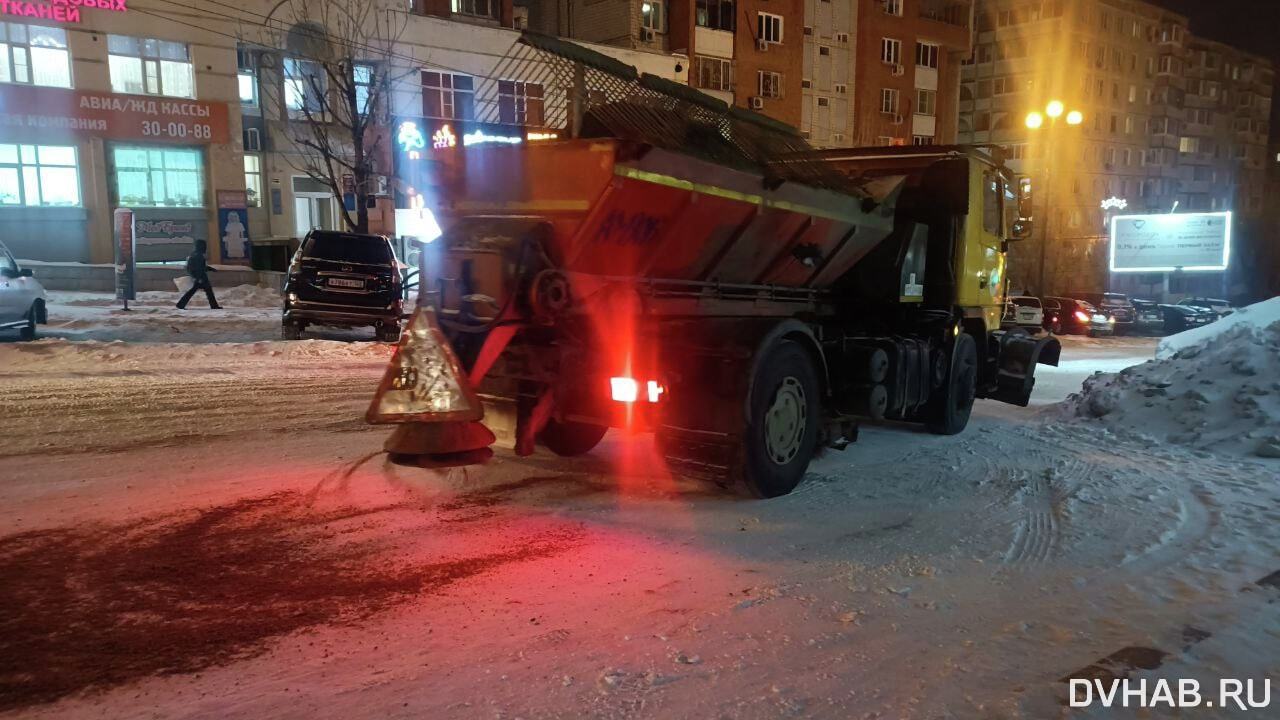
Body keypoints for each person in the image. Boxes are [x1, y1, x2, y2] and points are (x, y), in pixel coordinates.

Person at [176, 239, 222, 309]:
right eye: (204, 246)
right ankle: (180, 304)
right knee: (206, 291)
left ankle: (180, 304)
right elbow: (199, 268)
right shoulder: (198, 256)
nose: (205, 248)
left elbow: (199, 267)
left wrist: (210, 269)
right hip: (201, 277)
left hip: (199, 276)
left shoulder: (194, 254)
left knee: (203, 291)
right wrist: (199, 278)